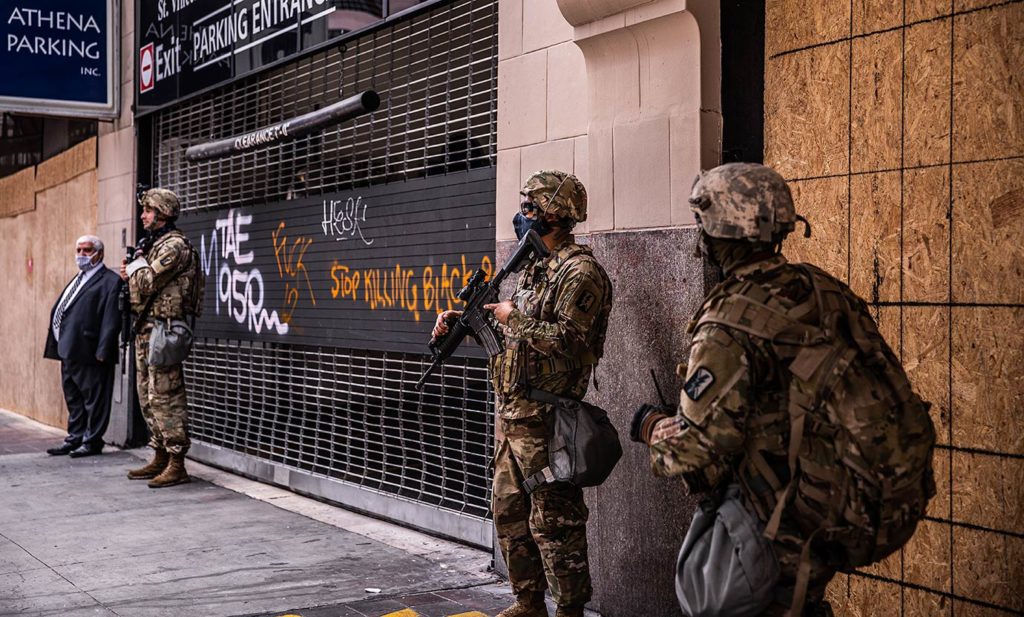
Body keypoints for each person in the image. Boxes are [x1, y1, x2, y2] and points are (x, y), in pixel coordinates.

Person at [630, 163, 935, 616]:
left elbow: (693, 450)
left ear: (714, 234)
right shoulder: (826, 290)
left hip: (780, 517)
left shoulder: (726, 322)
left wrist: (652, 427)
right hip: (840, 499)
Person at [433, 171, 613, 617]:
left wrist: (514, 319)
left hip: (550, 422)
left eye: (532, 207)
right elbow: (517, 339)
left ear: (558, 214)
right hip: (514, 418)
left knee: (556, 522)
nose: (524, 215)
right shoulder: (535, 266)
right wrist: (468, 322)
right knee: (510, 515)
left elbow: (573, 343)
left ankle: (570, 610)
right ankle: (528, 603)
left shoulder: (581, 271)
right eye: (525, 206)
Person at [119, 188, 199, 488]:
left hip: (164, 330)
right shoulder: (152, 244)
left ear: (163, 213)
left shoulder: (174, 246)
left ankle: (177, 462)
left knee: (166, 395)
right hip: (146, 328)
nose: (143, 216)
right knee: (147, 394)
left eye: (148, 211)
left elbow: (148, 281)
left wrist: (134, 269)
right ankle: (161, 454)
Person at [43, 235, 123, 457]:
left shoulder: (110, 281)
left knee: (95, 399)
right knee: (73, 397)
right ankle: (74, 438)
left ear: (99, 253)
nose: (81, 255)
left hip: (90, 352)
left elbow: (111, 319)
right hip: (68, 350)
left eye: (87, 250)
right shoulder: (79, 278)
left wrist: (103, 350)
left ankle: (92, 441)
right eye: (78, 250)